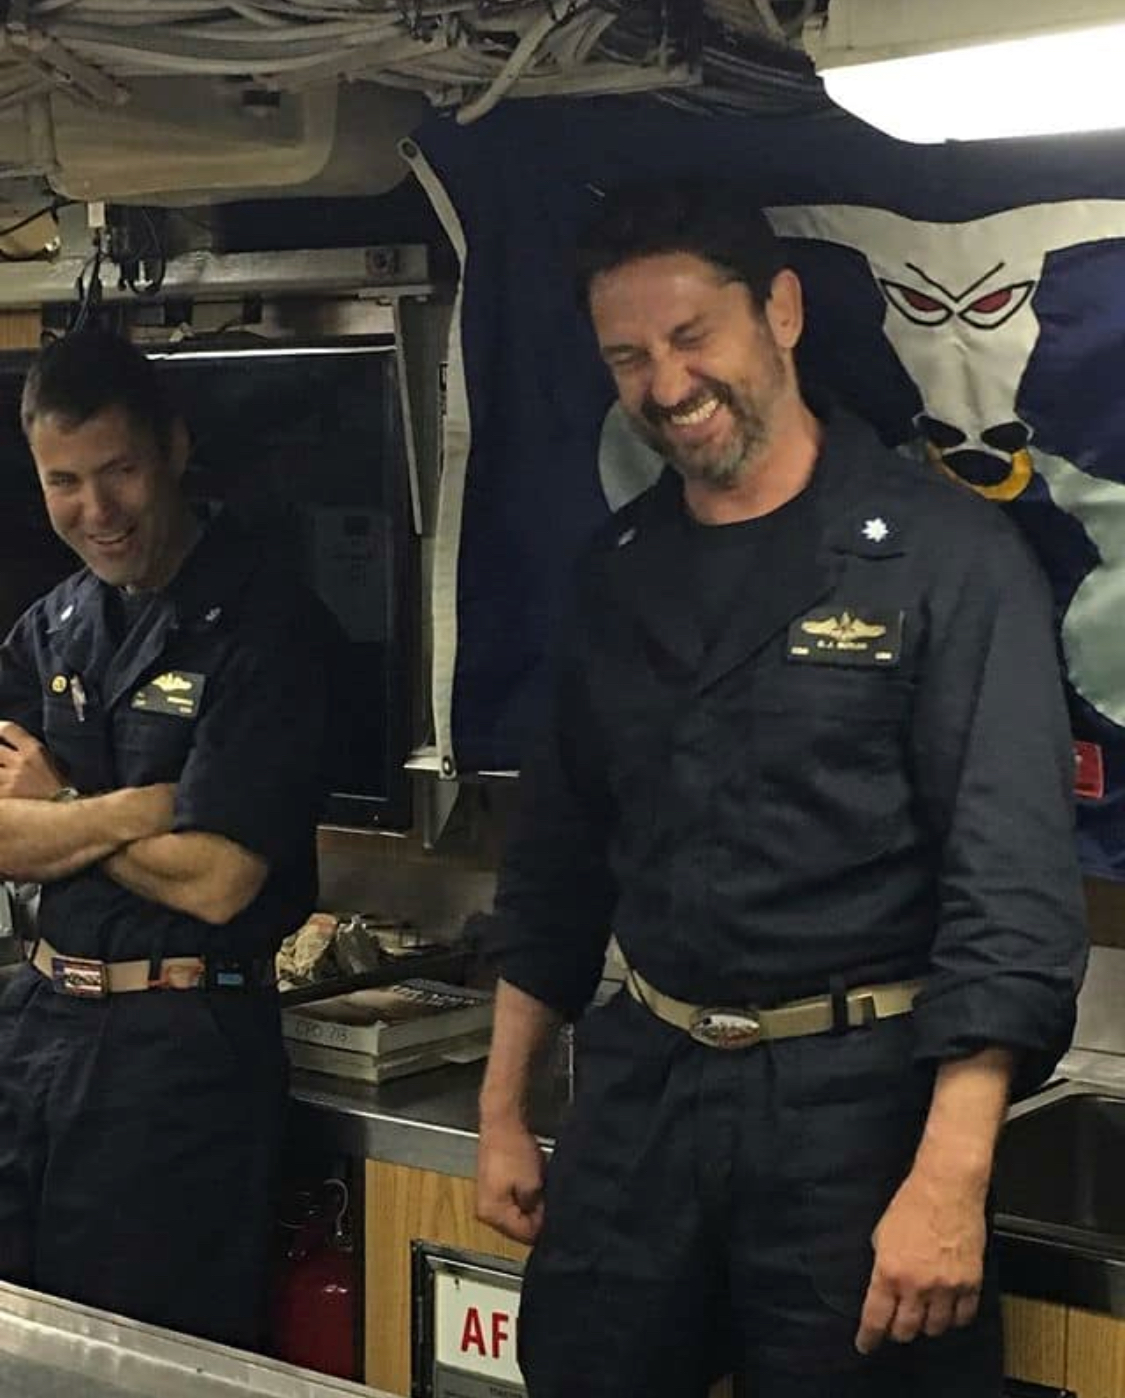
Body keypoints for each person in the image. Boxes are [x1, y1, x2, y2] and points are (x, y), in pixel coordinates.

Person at [475, 182, 1088, 1398]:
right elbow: (555, 866)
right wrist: (503, 1109)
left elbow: (1011, 901)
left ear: (784, 313)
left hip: (858, 1116)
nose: (667, 384)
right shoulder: (619, 570)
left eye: (692, 335)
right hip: (644, 1092)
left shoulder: (946, 558)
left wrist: (949, 1182)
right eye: (629, 357)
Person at [0, 330, 332, 1349]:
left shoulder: (269, 623)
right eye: (63, 483)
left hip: (180, 1053)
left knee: (135, 1363)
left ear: (174, 450)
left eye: (118, 472)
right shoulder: (54, 625)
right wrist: (132, 808)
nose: (95, 511)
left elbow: (218, 878)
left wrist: (58, 806)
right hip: (39, 1025)